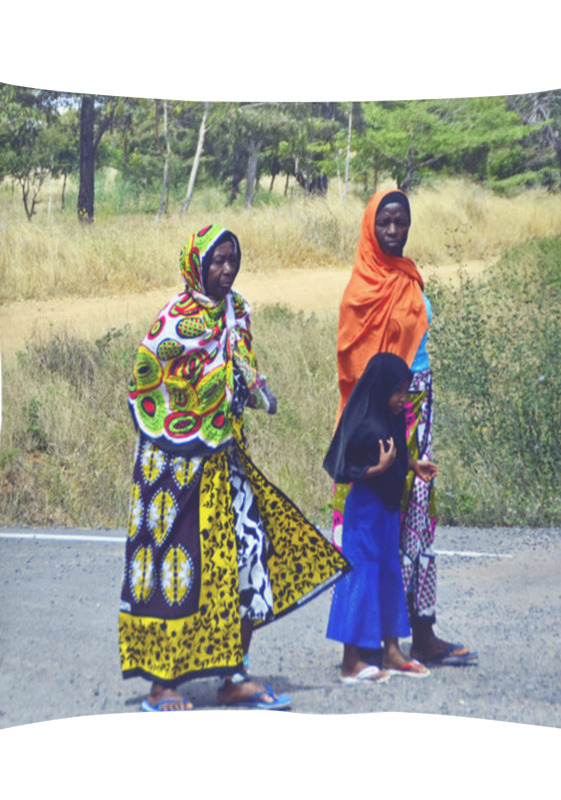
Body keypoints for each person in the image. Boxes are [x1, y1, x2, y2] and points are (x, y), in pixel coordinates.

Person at [119, 225, 350, 711]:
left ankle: (233, 674)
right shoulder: (174, 320)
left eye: (232, 260)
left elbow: (240, 365)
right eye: (217, 261)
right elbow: (147, 387)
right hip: (176, 469)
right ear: (196, 265)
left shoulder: (237, 310)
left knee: (251, 556)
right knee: (176, 571)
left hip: (228, 462)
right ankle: (163, 684)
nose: (226, 270)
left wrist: (255, 389)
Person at [333, 189, 477, 667]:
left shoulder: (410, 278)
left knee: (418, 520)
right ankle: (370, 641)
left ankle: (422, 632)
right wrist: (378, 431)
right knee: (376, 526)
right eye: (385, 223)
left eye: (401, 222)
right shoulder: (360, 290)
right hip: (381, 417)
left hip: (420, 408)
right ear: (370, 227)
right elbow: (358, 372)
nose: (393, 231)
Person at [324, 353, 435, 682]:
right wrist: (379, 468)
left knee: (389, 573)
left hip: (387, 510)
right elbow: (346, 470)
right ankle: (351, 661)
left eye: (405, 391)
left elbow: (398, 448)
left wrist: (413, 465)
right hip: (365, 512)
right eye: (398, 392)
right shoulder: (362, 424)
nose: (403, 399)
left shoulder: (390, 416)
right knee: (360, 576)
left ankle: (390, 650)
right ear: (382, 387)